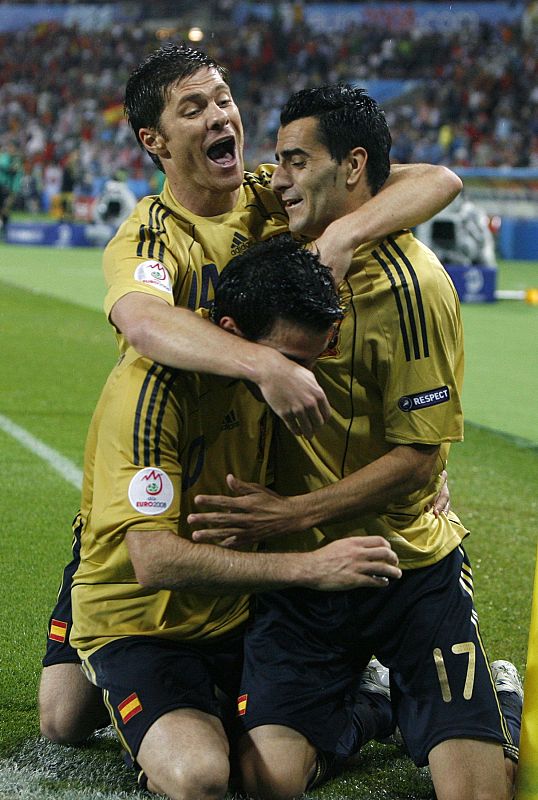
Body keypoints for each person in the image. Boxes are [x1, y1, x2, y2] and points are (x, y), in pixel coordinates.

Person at [39, 42, 462, 745]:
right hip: (158, 469)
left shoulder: (272, 191)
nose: (219, 116)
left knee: (246, 731)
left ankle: (341, 693)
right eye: (194, 108)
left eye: (224, 99)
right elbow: (143, 320)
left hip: (246, 477)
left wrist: (349, 231)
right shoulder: (151, 235)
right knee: (62, 719)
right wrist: (264, 366)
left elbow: (436, 178)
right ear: (155, 140)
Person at [187, 85, 523, 800]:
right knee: (267, 781)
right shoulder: (274, 232)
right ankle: (375, 705)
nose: (276, 179)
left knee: (477, 794)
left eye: (295, 161)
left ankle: (498, 701)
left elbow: (421, 459)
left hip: (409, 569)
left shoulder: (415, 288)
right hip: (303, 578)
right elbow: (434, 179)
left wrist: (289, 514)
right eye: (276, 161)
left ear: (352, 167)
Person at [66, 240, 403, 800]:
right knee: (196, 775)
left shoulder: (283, 371)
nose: (305, 380)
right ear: (231, 331)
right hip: (143, 625)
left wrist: (431, 470)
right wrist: (309, 568)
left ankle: (374, 699)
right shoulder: (152, 390)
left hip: (244, 615)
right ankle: (364, 697)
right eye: (289, 362)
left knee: (270, 776)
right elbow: (152, 559)